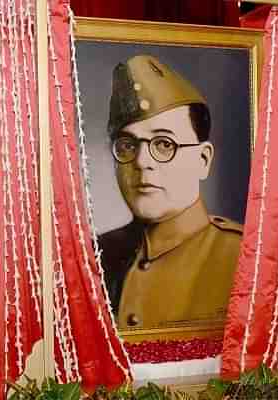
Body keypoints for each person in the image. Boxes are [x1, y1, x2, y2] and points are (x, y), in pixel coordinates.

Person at [99, 54, 243, 330]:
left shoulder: (245, 258)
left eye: (164, 144)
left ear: (203, 160)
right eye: (128, 145)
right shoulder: (92, 258)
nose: (142, 162)